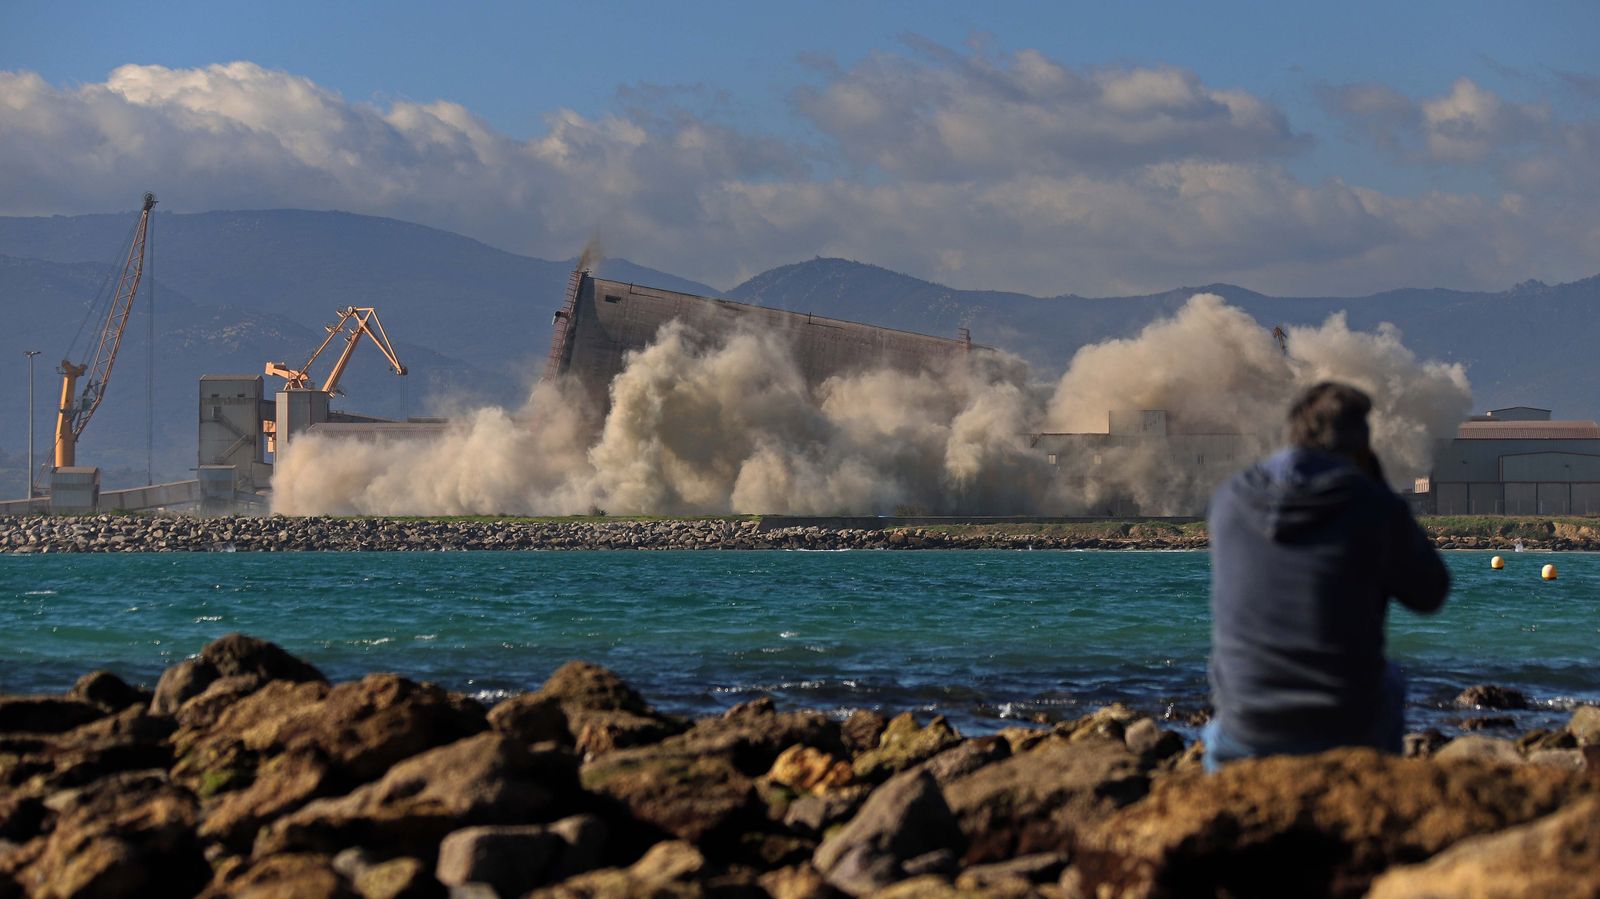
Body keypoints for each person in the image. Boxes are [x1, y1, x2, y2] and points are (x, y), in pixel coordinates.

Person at [1203, 381, 1449, 770]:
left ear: (1293, 432)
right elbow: (1431, 593)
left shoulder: (1230, 499)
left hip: (1246, 731)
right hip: (1345, 731)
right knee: (1393, 680)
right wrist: (1382, 488)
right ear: (1362, 446)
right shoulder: (1372, 505)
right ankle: (1375, 786)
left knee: (1217, 726)